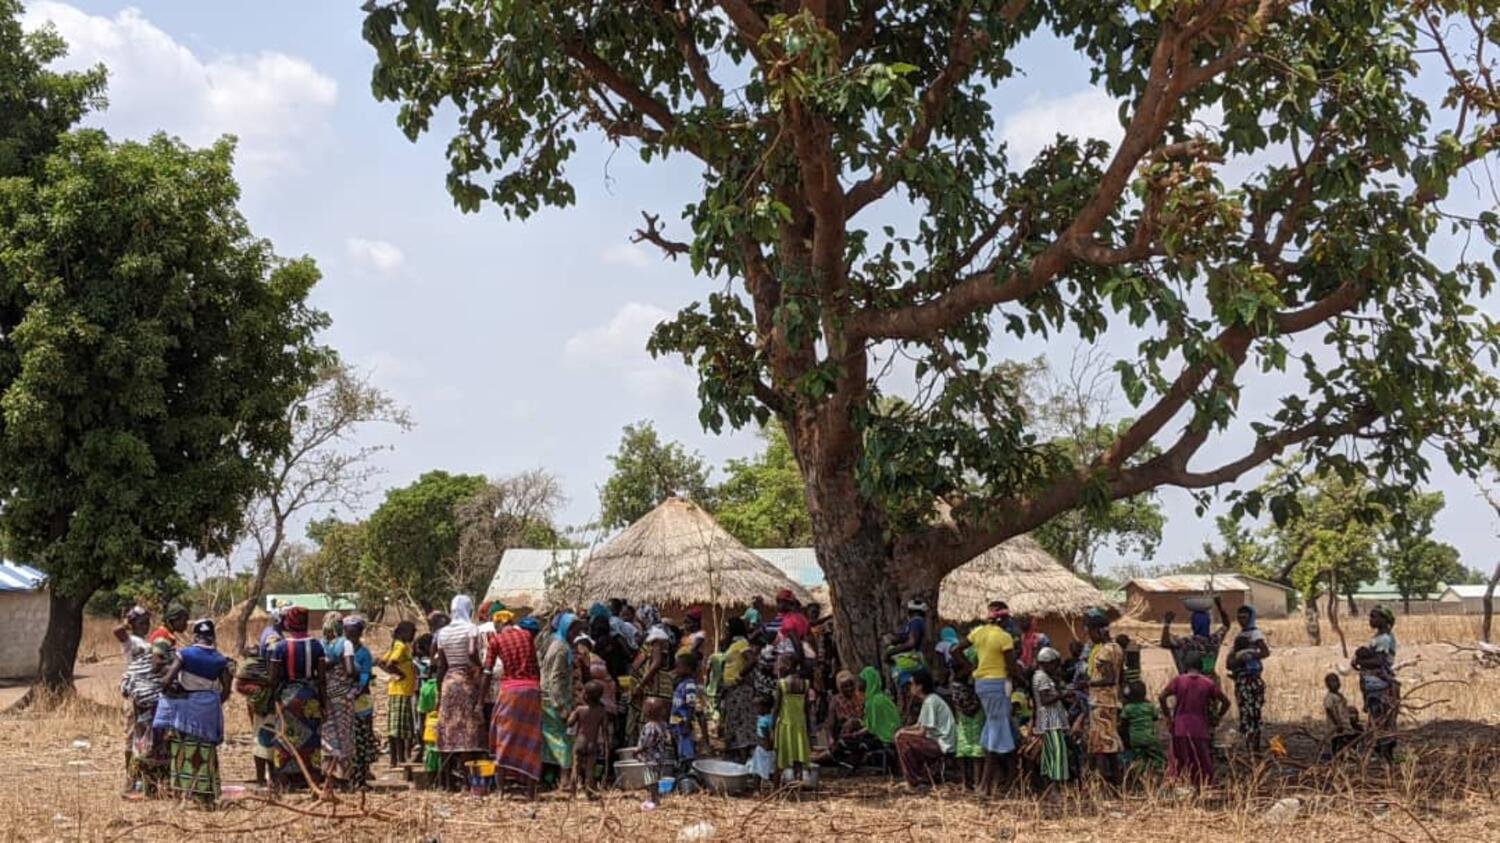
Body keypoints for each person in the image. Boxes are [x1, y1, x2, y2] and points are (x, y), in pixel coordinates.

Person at [154, 619, 232, 806]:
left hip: (186, 711)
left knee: (183, 747)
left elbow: (167, 681)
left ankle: (184, 793)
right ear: (212, 637)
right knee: (206, 749)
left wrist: (164, 684)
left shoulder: (185, 654)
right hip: (208, 710)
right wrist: (210, 702)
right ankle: (205, 794)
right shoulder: (221, 660)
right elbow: (226, 691)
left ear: (195, 636)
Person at [958, 600, 1024, 796]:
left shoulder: (978, 632)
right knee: (996, 733)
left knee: (1004, 729)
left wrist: (972, 669)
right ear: (1003, 619)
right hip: (999, 685)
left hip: (982, 685)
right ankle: (985, 786)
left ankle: (1011, 780)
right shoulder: (1004, 637)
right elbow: (1012, 667)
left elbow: (955, 650)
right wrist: (1023, 679)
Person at [268, 606, 324, 790]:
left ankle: (285, 781)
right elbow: (321, 678)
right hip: (310, 699)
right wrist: (323, 703)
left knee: (286, 740)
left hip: (287, 699)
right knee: (311, 739)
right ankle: (312, 780)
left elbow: (274, 678)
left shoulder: (281, 647)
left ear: (288, 623)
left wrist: (271, 699)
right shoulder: (316, 646)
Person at [434, 595, 486, 789]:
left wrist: (439, 692)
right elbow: (472, 652)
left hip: (448, 681)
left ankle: (446, 782)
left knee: (447, 730)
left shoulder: (442, 633)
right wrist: (480, 667)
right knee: (467, 732)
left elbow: (441, 665)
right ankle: (467, 781)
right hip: (465, 681)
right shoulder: (471, 629)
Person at [490, 615, 544, 796]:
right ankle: (530, 792)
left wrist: (479, 699)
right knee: (531, 739)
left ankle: (500, 791)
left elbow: (487, 670)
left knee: (504, 738)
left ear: (499, 624)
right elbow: (536, 666)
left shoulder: (496, 640)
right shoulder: (527, 636)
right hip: (532, 690)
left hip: (510, 692)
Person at [1160, 650, 1230, 787]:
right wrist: (1217, 718)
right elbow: (1226, 702)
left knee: (1179, 763)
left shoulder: (1178, 680)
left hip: (1179, 727)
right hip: (1200, 728)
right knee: (1202, 763)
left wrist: (1168, 717)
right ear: (1201, 666)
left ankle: (1180, 788)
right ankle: (1201, 788)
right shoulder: (1208, 683)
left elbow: (1161, 696)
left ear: (1185, 666)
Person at [332, 616, 378, 789]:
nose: (350, 635)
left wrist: (354, 692)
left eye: (354, 632)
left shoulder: (364, 653)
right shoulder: (339, 647)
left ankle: (360, 778)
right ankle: (344, 777)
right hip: (343, 700)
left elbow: (365, 677)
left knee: (361, 739)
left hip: (360, 702)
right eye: (347, 631)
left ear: (359, 632)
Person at [124, 639, 173, 797]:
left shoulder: (171, 670)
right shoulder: (138, 668)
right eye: (157, 657)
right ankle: (132, 785)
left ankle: (158, 787)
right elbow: (126, 688)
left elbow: (176, 688)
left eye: (163, 658)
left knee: (161, 751)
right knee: (142, 751)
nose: (159, 661)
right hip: (143, 717)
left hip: (163, 717)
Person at [893, 668, 955, 788]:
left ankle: (916, 779)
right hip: (935, 740)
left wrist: (902, 733)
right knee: (902, 735)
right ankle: (918, 776)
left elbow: (921, 732)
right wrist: (903, 729)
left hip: (942, 744)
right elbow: (919, 725)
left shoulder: (931, 701)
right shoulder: (929, 700)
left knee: (902, 740)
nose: (910, 687)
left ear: (919, 686)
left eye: (912, 684)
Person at [115, 606, 154, 793]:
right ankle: (129, 778)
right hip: (134, 694)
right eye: (141, 622)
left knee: (144, 736)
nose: (146, 626)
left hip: (147, 693)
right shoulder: (130, 641)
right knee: (131, 736)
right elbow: (117, 631)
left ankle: (141, 776)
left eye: (147, 622)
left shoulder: (146, 642)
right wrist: (128, 620)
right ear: (132, 624)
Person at [542, 612, 583, 781]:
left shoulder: (558, 643)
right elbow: (556, 679)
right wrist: (561, 707)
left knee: (553, 741)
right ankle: (564, 780)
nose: (576, 634)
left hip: (551, 698)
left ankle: (552, 779)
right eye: (574, 630)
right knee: (564, 740)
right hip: (554, 701)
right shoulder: (560, 648)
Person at [1084, 610, 1124, 785]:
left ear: (1099, 631)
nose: (1090, 637)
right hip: (1112, 701)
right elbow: (1120, 678)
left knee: (1100, 746)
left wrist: (1089, 684)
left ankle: (1102, 785)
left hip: (1101, 703)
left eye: (1091, 632)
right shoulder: (1117, 648)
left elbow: (1109, 678)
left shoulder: (1105, 652)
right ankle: (1117, 782)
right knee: (1111, 745)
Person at [1355, 606, 1399, 761]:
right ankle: (1380, 751)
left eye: (1374, 617)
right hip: (1373, 683)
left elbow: (1379, 661)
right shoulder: (1378, 637)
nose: (1371, 620)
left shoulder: (1384, 639)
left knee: (1380, 718)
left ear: (1384, 619)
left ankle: (1383, 752)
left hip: (1378, 684)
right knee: (1378, 719)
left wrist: (1359, 660)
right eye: (1370, 617)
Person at [1226, 605, 1271, 753]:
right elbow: (1230, 662)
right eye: (1239, 617)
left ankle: (1254, 747)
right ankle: (1251, 747)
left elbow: (1265, 652)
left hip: (1250, 679)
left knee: (1252, 713)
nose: (1241, 620)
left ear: (1250, 617)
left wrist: (1249, 654)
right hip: (1243, 679)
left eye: (1244, 617)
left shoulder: (1254, 633)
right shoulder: (1243, 634)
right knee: (1247, 713)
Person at [628, 605, 676, 743]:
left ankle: (652, 758)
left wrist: (640, 685)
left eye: (640, 619)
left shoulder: (657, 635)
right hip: (656, 683)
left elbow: (656, 663)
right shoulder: (657, 633)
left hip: (656, 685)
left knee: (653, 724)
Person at [378, 620, 419, 768]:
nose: (413, 636)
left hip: (400, 690)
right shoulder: (400, 646)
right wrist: (400, 674)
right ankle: (397, 759)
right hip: (400, 690)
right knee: (398, 728)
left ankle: (397, 759)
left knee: (398, 727)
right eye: (412, 633)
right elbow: (389, 663)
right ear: (405, 633)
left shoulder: (398, 645)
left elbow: (380, 661)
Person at [717, 616, 759, 760]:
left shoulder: (741, 643)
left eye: (727, 629)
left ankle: (743, 759)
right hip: (731, 691)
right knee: (733, 722)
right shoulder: (733, 644)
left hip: (740, 690)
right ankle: (736, 758)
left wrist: (739, 676)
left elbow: (752, 660)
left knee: (742, 723)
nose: (726, 631)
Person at [233, 642, 275, 786]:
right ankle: (271, 778)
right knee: (269, 741)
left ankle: (262, 779)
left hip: (262, 709)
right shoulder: (267, 664)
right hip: (271, 706)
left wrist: (256, 695)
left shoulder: (248, 665)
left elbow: (239, 685)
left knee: (260, 742)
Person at [1031, 647, 1071, 791]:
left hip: (1047, 720)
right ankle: (1054, 787)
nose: (1056, 668)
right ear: (1047, 663)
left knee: (1050, 754)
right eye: (1054, 664)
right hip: (1051, 720)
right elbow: (1045, 699)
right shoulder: (1042, 677)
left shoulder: (1040, 675)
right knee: (1057, 754)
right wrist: (1063, 695)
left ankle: (1050, 787)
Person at [1160, 596, 1231, 677]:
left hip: (1188, 684)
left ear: (1193, 625)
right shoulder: (1214, 641)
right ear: (1208, 623)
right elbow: (1226, 625)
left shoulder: (1186, 642)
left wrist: (1167, 624)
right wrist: (1219, 606)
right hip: (1209, 684)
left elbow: (1165, 643)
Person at [772, 653, 811, 782]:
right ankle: (797, 787)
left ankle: (776, 788)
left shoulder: (782, 684)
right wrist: (809, 728)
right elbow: (807, 709)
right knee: (798, 761)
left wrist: (772, 726)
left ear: (787, 666)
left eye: (780, 664)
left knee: (779, 759)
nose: (778, 666)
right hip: (800, 726)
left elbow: (777, 707)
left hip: (785, 725)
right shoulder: (805, 684)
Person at [568, 680, 611, 795]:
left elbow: (569, 723)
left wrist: (570, 713)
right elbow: (605, 729)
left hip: (580, 742)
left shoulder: (580, 710)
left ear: (585, 695)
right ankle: (589, 792)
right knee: (590, 769)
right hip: (592, 743)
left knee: (575, 767)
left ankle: (572, 792)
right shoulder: (601, 711)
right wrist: (607, 744)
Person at [636, 696, 675, 807]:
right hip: (660, 757)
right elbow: (668, 738)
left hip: (651, 759)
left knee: (651, 780)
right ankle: (655, 798)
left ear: (647, 712)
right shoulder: (662, 724)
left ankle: (654, 800)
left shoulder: (650, 726)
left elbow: (646, 743)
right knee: (655, 779)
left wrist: (637, 751)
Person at [1119, 680, 1165, 773]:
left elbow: (1124, 723)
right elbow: (1155, 717)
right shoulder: (1149, 706)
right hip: (1149, 738)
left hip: (1135, 739)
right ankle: (1157, 772)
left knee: (1139, 759)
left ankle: (1138, 776)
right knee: (1159, 758)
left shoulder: (1128, 708)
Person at [884, 599, 928, 692]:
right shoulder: (913, 624)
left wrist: (891, 652)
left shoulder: (916, 622)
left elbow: (912, 643)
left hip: (912, 660)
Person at [669, 652, 705, 763]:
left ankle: (687, 769)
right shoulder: (680, 684)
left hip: (683, 723)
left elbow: (691, 705)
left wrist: (687, 722)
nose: (677, 669)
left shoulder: (689, 684)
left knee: (686, 749)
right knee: (679, 748)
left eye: (679, 666)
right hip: (676, 722)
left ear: (688, 669)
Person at [858, 665, 901, 746]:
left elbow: (872, 727)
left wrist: (857, 733)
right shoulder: (883, 697)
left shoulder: (873, 702)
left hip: (886, 740)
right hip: (894, 737)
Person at [1323, 672, 1362, 757]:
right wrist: (1337, 723)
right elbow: (1329, 709)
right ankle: (1336, 758)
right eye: (1332, 682)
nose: (1336, 684)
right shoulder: (1330, 697)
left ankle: (1347, 754)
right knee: (1337, 741)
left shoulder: (1339, 695)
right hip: (1335, 725)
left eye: (1337, 681)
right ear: (1327, 685)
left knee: (1348, 738)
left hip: (1344, 722)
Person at [745, 695, 777, 781]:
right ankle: (774, 788)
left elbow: (766, 734)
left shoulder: (762, 721)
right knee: (771, 770)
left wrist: (767, 745)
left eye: (758, 707)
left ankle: (757, 790)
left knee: (757, 771)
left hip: (763, 748)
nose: (756, 709)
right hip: (773, 749)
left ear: (765, 707)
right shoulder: (773, 719)